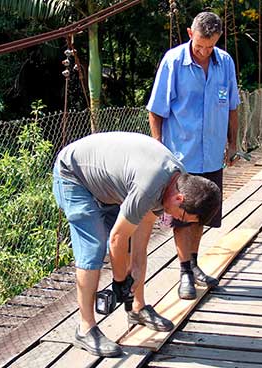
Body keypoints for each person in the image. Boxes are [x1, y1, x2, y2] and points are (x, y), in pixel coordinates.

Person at [52, 132, 221, 357]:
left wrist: (135, 273)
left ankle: (138, 309)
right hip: (74, 175)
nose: (177, 221)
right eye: (182, 216)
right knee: (94, 247)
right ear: (180, 199)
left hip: (108, 182)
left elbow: (139, 235)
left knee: (128, 242)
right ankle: (85, 328)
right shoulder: (149, 186)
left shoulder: (177, 180)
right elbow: (116, 240)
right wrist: (120, 280)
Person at [147, 11, 240, 300]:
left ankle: (195, 263)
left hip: (212, 154)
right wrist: (158, 148)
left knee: (202, 214)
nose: (204, 51)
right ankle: (184, 271)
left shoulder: (225, 63)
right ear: (190, 33)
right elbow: (156, 109)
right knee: (180, 217)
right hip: (180, 158)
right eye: (200, 45)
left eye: (210, 46)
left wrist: (233, 143)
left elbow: (233, 106)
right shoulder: (172, 62)